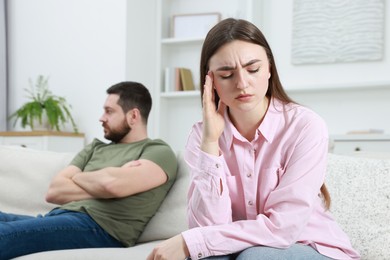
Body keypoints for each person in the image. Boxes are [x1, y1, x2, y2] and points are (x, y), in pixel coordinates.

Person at [147, 18, 360, 260]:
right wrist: (210, 145)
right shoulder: (201, 136)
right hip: (246, 250)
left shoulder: (305, 126)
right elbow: (208, 227)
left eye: (253, 69)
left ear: (269, 68)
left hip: (313, 247)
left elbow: (282, 229)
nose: (242, 83)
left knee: (254, 257)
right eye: (226, 74)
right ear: (211, 81)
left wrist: (191, 241)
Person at [0, 81, 178, 259]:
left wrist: (80, 178)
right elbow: (54, 191)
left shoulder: (157, 151)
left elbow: (111, 186)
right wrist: (108, 180)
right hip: (59, 217)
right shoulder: (95, 148)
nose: (102, 118)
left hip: (102, 228)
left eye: (109, 111)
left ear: (133, 116)